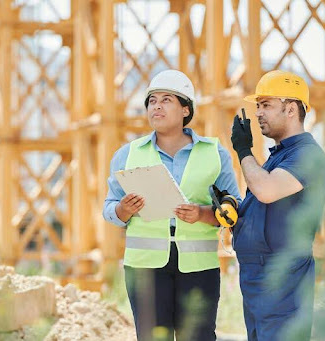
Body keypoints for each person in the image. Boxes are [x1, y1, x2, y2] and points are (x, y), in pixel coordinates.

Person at [103, 69, 241, 341]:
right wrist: (123, 210)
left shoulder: (214, 154)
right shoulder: (127, 155)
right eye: (152, 101)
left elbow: (234, 208)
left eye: (166, 100)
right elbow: (110, 208)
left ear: (185, 109)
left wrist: (203, 214)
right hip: (144, 269)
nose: (156, 106)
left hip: (199, 267)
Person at [230, 70, 325, 341]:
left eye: (266, 105)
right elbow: (262, 206)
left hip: (282, 283)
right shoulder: (279, 158)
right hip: (259, 280)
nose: (258, 113)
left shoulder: (307, 155)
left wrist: (243, 151)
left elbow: (266, 190)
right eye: (258, 106)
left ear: (290, 109)